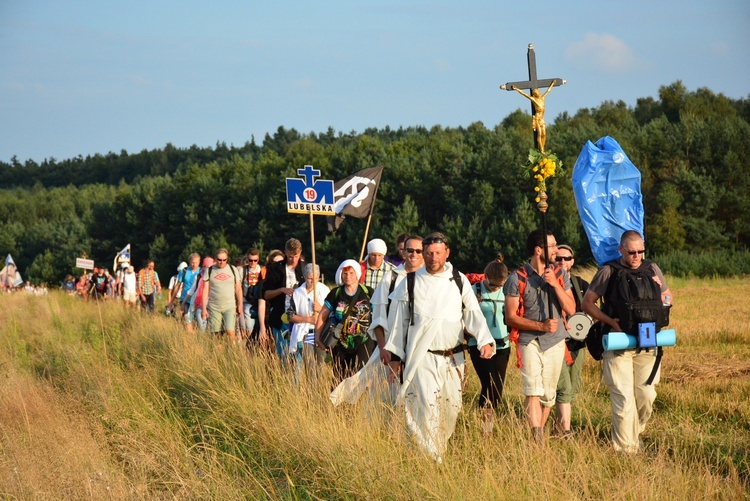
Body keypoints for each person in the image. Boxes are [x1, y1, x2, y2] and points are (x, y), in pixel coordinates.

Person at [383, 232, 495, 461]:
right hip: (422, 357)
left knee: (450, 409)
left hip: (453, 358)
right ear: (423, 254)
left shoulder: (458, 279)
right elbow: (397, 323)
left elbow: (473, 313)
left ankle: (435, 451)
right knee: (426, 406)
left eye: (437, 252)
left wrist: (484, 339)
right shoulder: (410, 281)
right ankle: (432, 460)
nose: (433, 257)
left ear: (447, 253)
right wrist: (395, 357)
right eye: (429, 253)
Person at [582, 230, 672, 453]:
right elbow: (587, 304)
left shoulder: (652, 268)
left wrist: (661, 302)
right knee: (623, 398)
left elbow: (668, 297)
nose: (637, 256)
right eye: (632, 252)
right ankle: (627, 452)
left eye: (641, 251)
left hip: (648, 342)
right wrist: (610, 322)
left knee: (646, 395)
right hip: (618, 343)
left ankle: (635, 430)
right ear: (621, 250)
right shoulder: (608, 271)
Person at [330, 235, 425, 407]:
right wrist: (383, 348)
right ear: (403, 252)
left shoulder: (430, 279)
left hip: (422, 346)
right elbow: (379, 317)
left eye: (419, 251)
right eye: (410, 250)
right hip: (392, 345)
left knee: (419, 396)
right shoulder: (392, 277)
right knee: (386, 394)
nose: (414, 254)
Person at [504, 229, 576, 443]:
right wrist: (540, 325)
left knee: (548, 395)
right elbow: (510, 317)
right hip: (529, 340)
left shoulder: (561, 275)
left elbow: (571, 309)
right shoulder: (515, 278)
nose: (556, 249)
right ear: (538, 250)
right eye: (552, 246)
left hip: (555, 340)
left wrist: (554, 284)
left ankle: (539, 435)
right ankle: (536, 435)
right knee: (532, 389)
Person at [469, 255, 512, 433]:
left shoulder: (508, 291)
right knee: (489, 383)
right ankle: (485, 428)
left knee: (497, 387)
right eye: (493, 285)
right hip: (478, 345)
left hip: (503, 346)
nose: (496, 288)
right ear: (485, 277)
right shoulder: (474, 290)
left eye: (500, 285)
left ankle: (488, 424)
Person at [315, 259, 375, 384]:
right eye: (345, 273)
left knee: (359, 376)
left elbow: (379, 314)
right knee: (339, 377)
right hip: (340, 343)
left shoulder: (368, 292)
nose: (348, 277)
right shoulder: (336, 293)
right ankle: (338, 402)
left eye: (351, 273)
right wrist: (317, 337)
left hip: (364, 342)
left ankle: (356, 402)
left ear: (357, 274)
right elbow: (322, 316)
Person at [554, 244, 589, 436]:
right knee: (563, 387)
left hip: (577, 343)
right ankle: (565, 431)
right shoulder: (548, 283)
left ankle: (559, 425)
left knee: (573, 387)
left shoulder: (580, 284)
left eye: (566, 258)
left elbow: (593, 308)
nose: (562, 262)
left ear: (572, 261)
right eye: (558, 258)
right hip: (556, 343)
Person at [263, 239, 305, 359]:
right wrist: (281, 290)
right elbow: (266, 294)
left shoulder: (305, 269)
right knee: (283, 354)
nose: (293, 259)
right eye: (290, 256)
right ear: (285, 252)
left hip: (299, 318)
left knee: (298, 354)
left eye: (296, 256)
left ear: (300, 253)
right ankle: (283, 376)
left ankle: (297, 377)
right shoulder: (276, 268)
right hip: (280, 317)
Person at [289, 263, 330, 379]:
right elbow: (290, 315)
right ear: (305, 277)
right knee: (310, 365)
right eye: (310, 278)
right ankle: (311, 391)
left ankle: (318, 392)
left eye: (316, 278)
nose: (313, 281)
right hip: (305, 333)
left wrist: (321, 308)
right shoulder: (297, 292)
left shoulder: (324, 290)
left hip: (321, 332)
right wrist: (308, 319)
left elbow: (332, 312)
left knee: (319, 366)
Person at [201, 249, 243, 343]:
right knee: (216, 335)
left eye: (224, 260)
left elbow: (238, 289)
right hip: (214, 307)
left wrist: (240, 304)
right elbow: (205, 289)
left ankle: (232, 351)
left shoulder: (233, 270)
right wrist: (204, 308)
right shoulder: (210, 270)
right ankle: (218, 355)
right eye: (220, 260)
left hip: (230, 306)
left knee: (230, 331)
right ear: (215, 259)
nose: (222, 262)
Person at [510, 80, 555, 153]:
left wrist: (552, 84)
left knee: (544, 134)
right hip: (537, 118)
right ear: (535, 94)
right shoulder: (534, 99)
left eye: (538, 91)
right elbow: (525, 94)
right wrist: (516, 89)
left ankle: (543, 147)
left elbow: (548, 91)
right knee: (539, 134)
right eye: (536, 92)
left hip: (542, 119)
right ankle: (542, 150)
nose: (538, 92)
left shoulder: (542, 98)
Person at [184, 256, 214, 332]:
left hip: (212, 305)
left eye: (208, 267)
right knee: (201, 326)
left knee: (211, 327)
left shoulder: (214, 279)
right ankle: (202, 339)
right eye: (204, 266)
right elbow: (192, 290)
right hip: (199, 305)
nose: (206, 269)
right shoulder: (198, 277)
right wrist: (184, 302)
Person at [241, 248, 263, 341]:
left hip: (260, 301)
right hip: (247, 301)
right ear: (247, 259)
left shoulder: (262, 270)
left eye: (255, 260)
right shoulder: (243, 271)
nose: (253, 263)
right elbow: (238, 287)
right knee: (249, 326)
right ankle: (251, 344)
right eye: (250, 260)